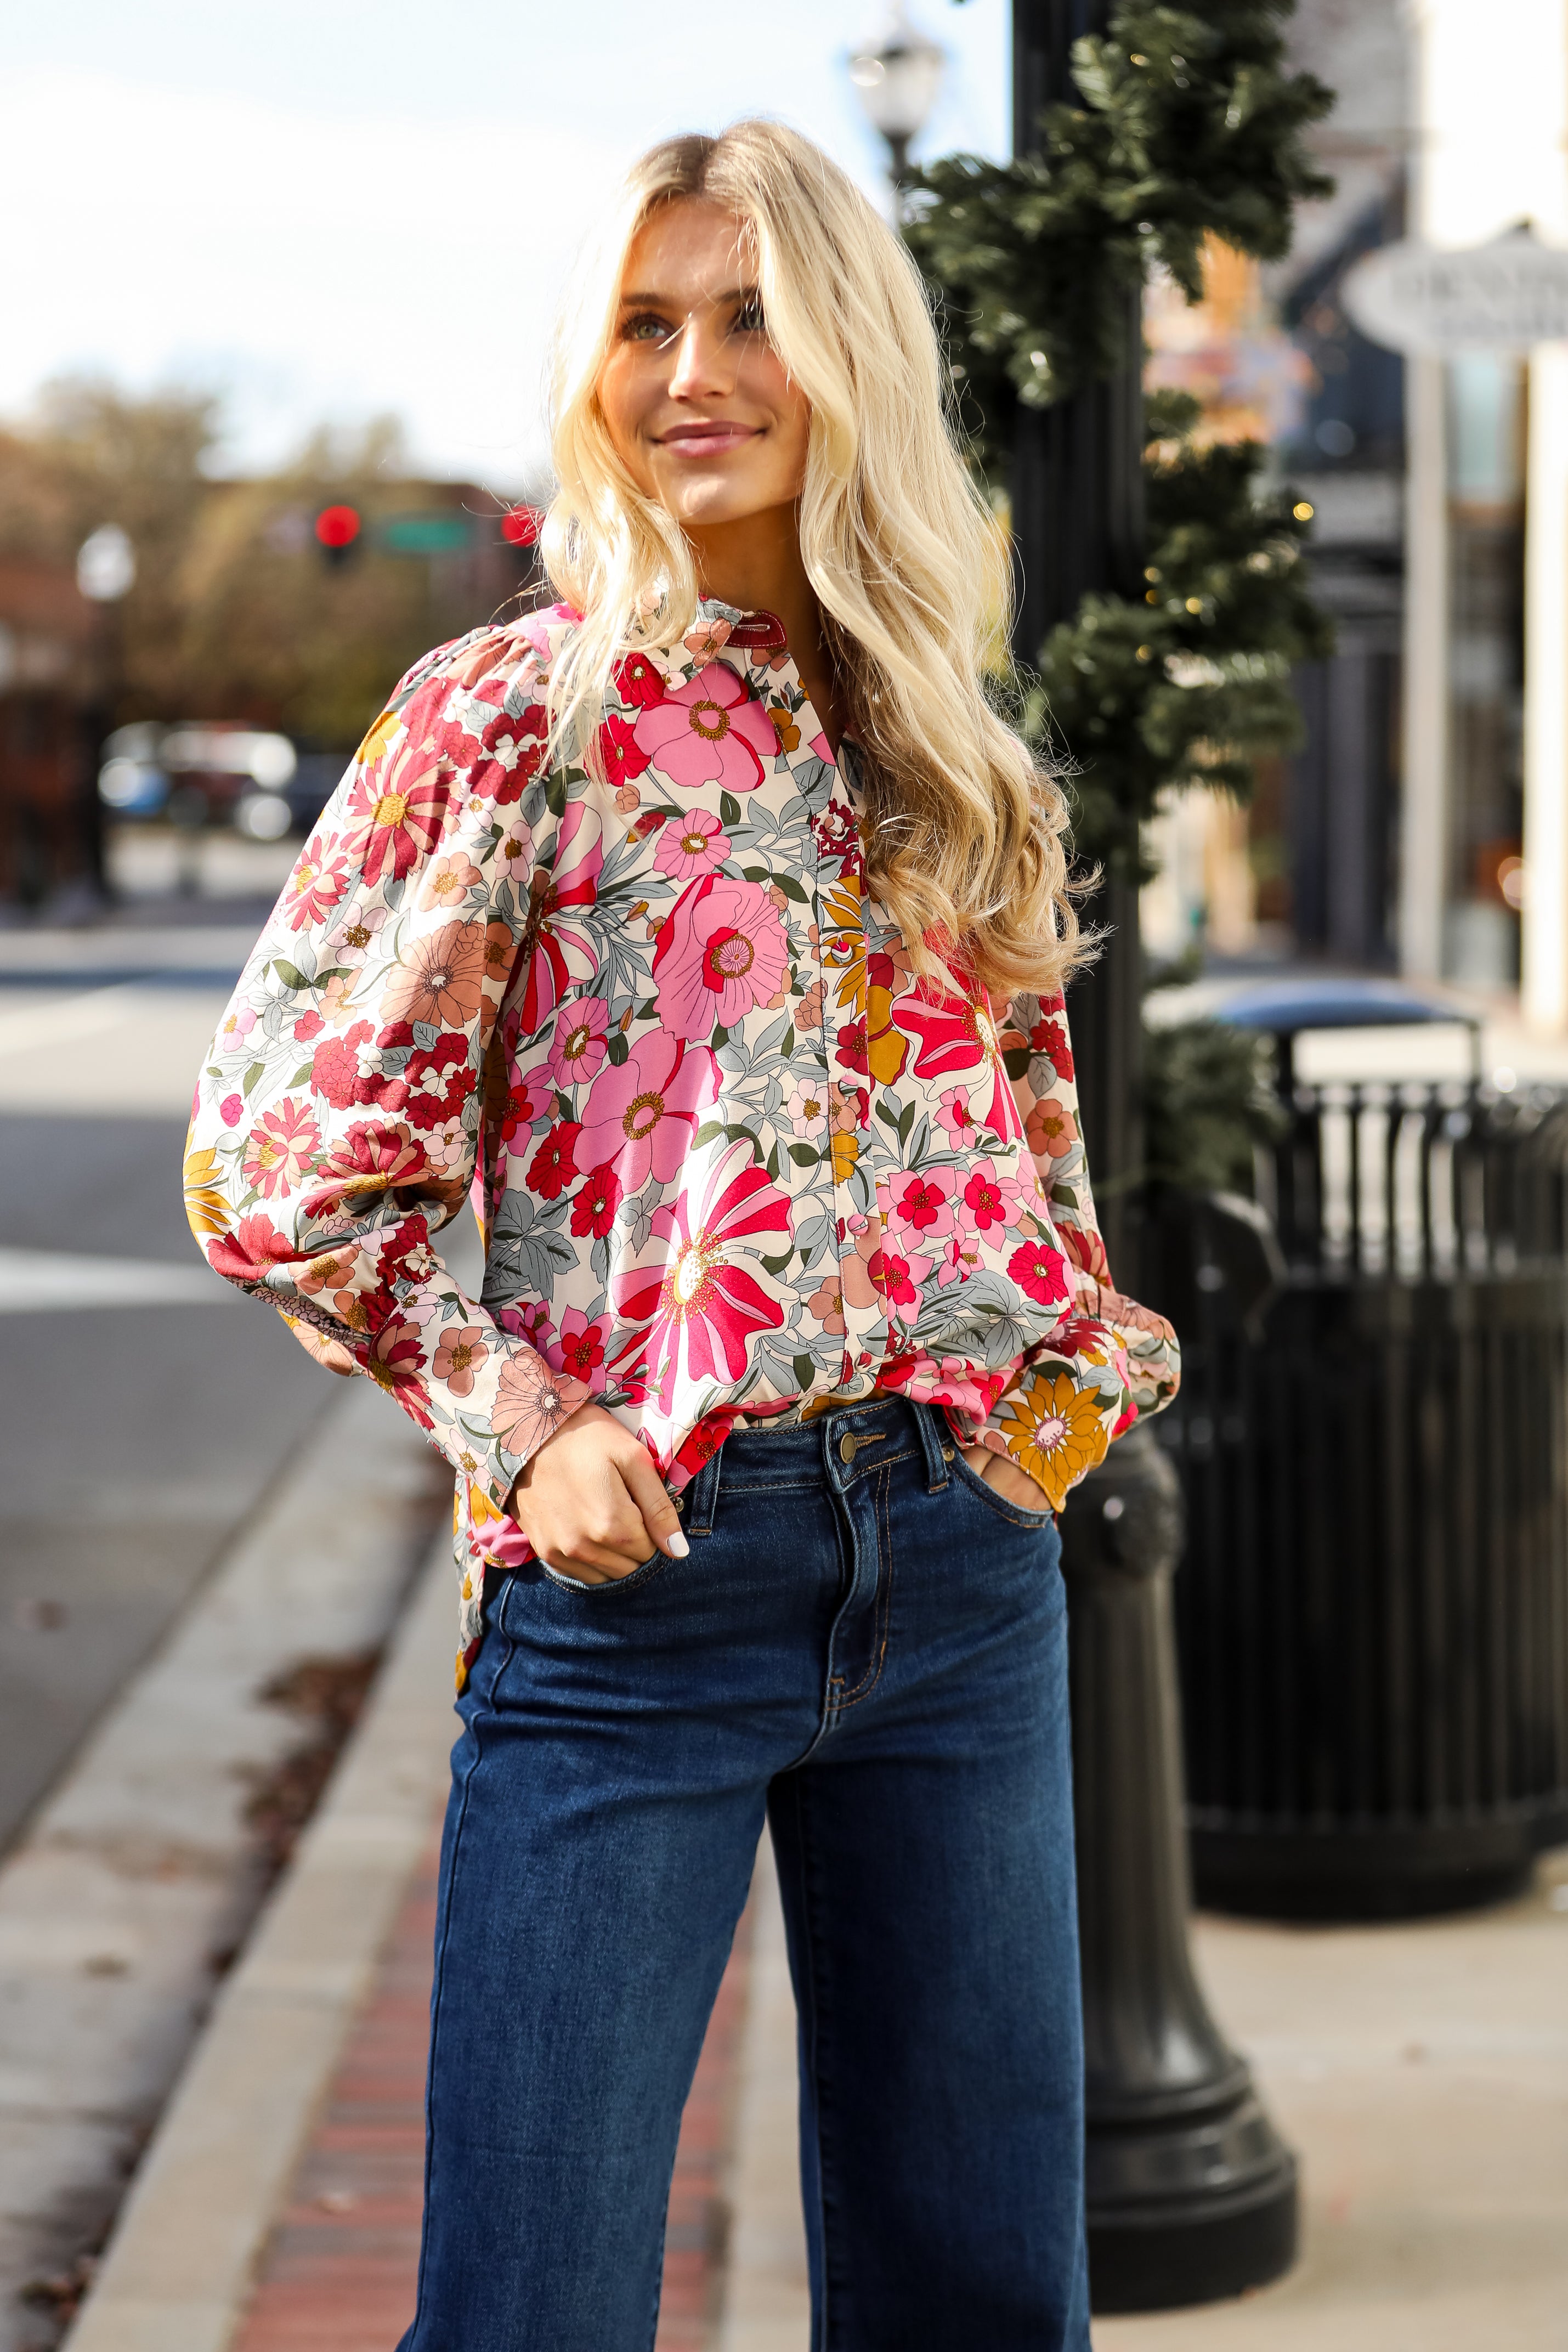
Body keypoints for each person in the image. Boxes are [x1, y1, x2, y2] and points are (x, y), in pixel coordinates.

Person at [186, 120, 1178, 2352]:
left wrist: (1047, 1389)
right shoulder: (514, 711)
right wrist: (517, 1418)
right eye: (646, 320)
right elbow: (272, 1151)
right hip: (641, 1586)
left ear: (850, 356)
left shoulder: (947, 738)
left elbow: (1028, 1135)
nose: (693, 369)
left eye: (750, 315)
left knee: (975, 2299)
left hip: (960, 1575)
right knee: (528, 2308)